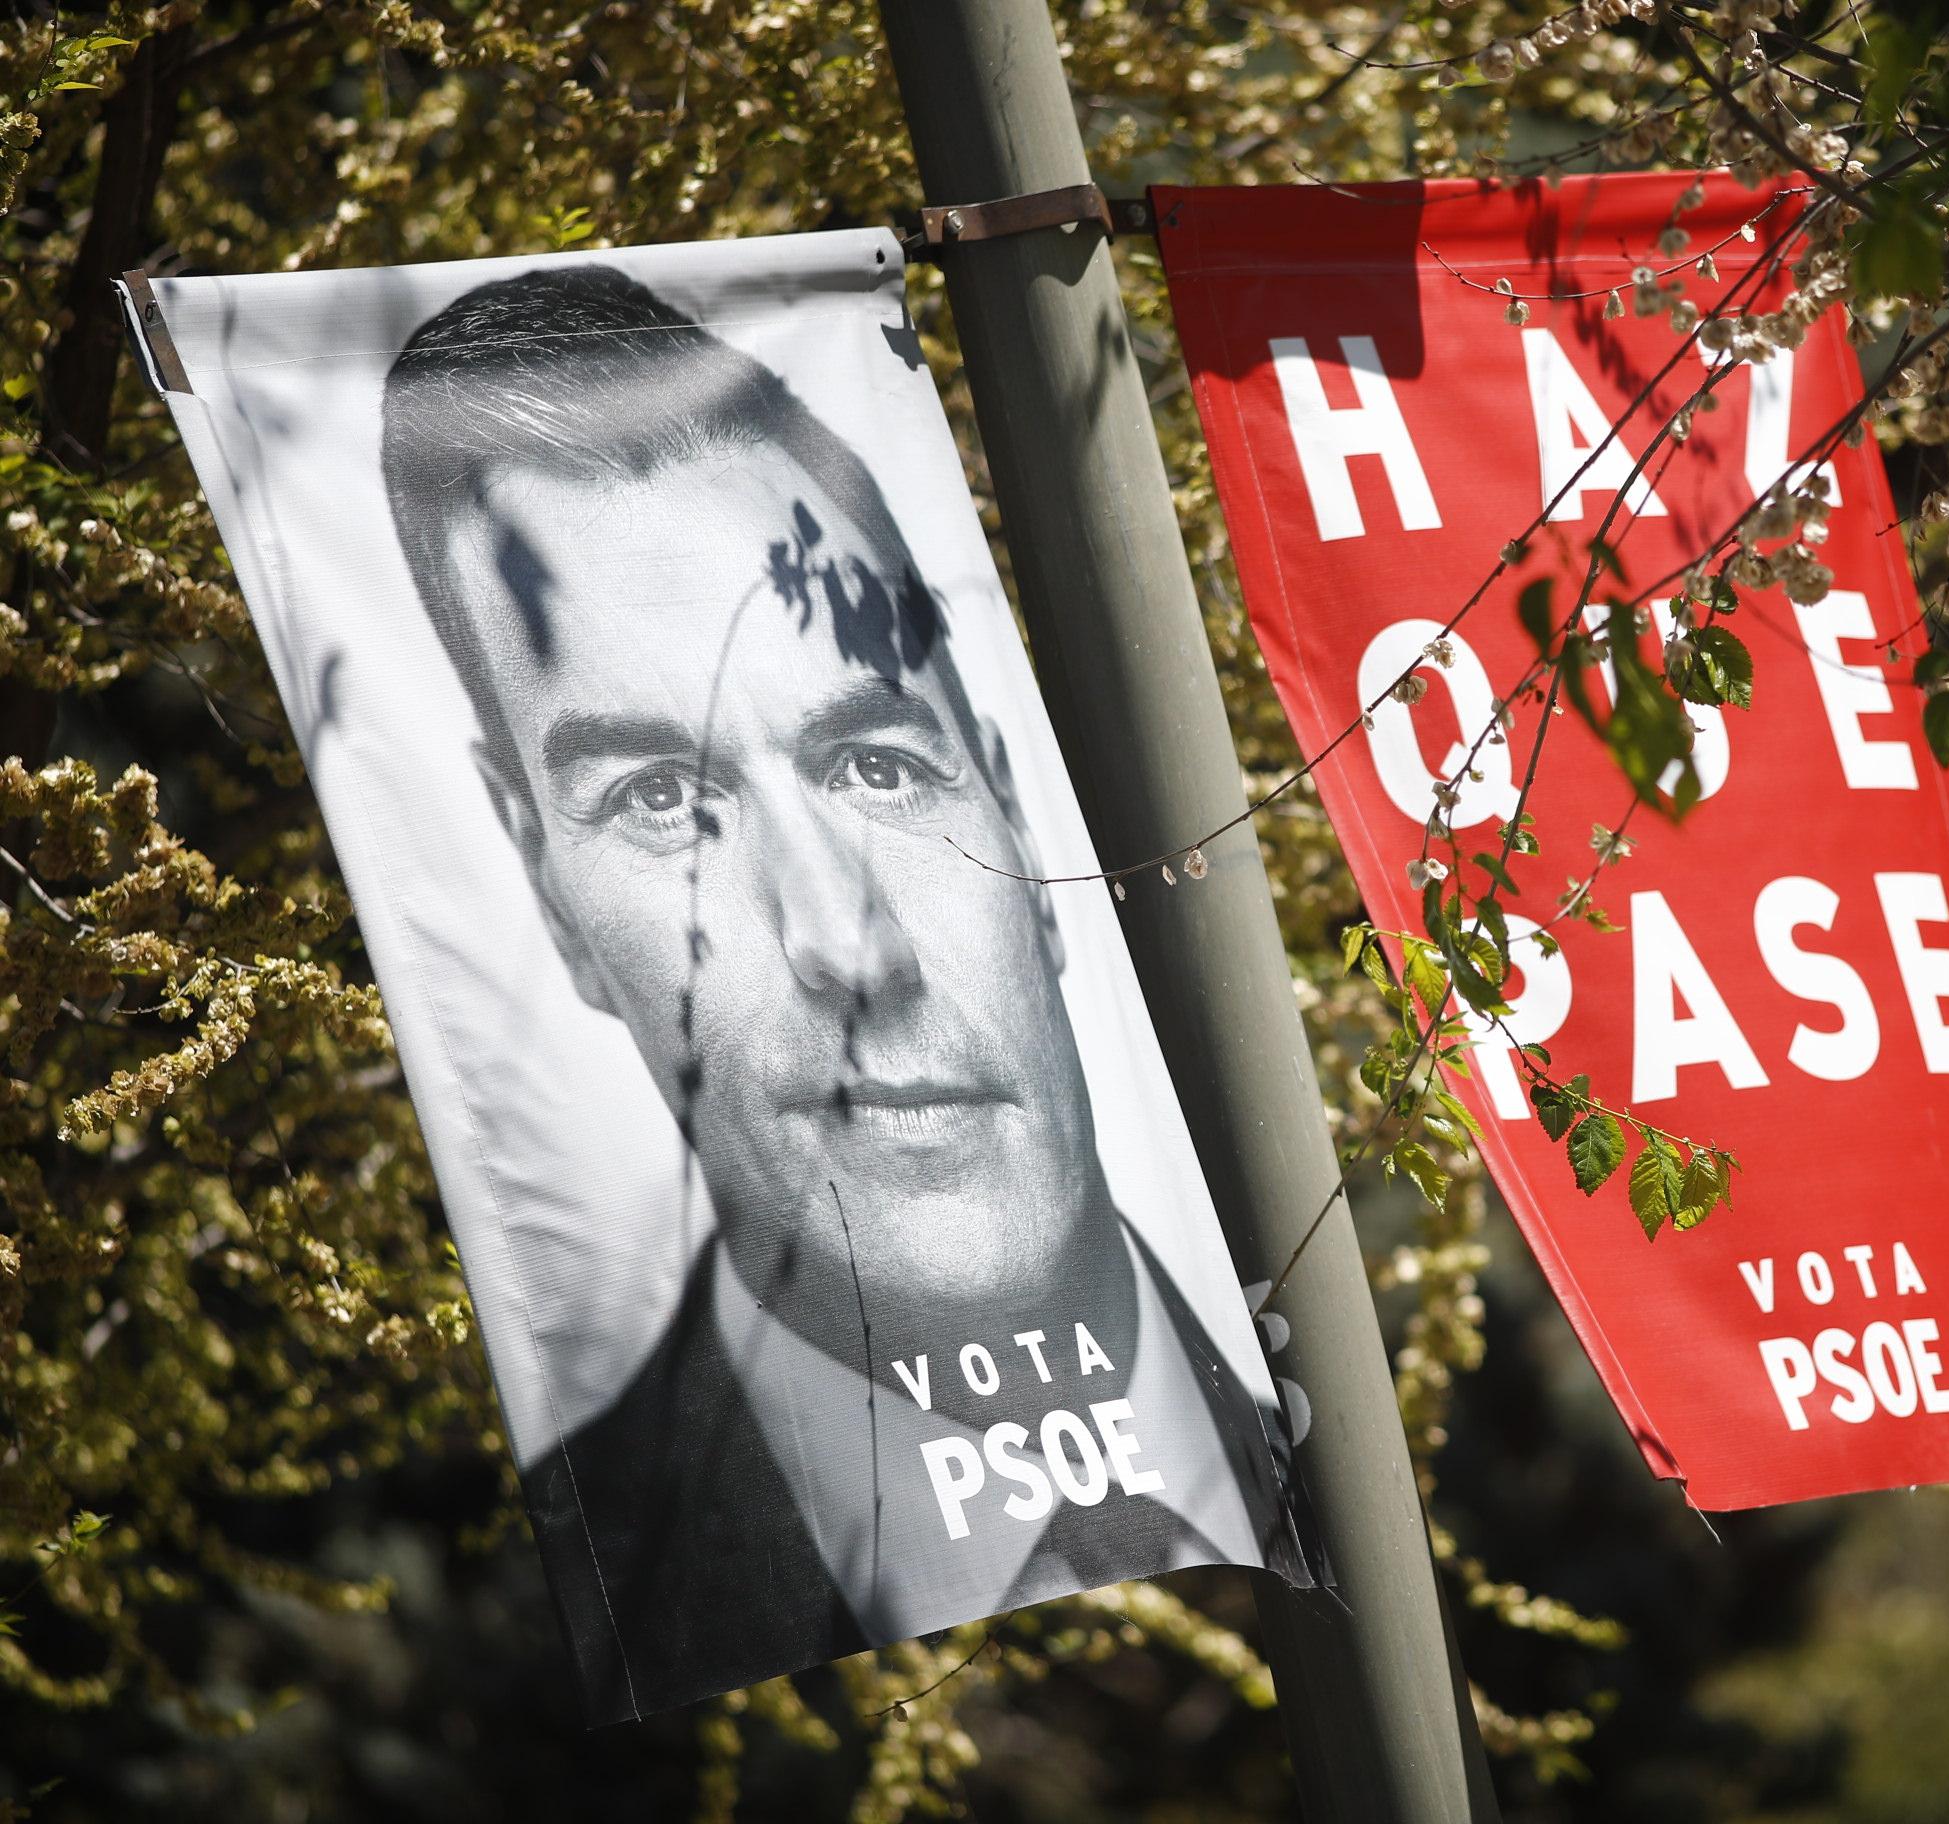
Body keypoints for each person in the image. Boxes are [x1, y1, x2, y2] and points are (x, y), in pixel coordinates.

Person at [380, 263, 1310, 1723]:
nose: (847, 943)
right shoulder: (515, 1645)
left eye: (879, 766)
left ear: (1003, 794)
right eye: (666, 800)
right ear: (546, 885)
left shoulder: (1353, 1422)